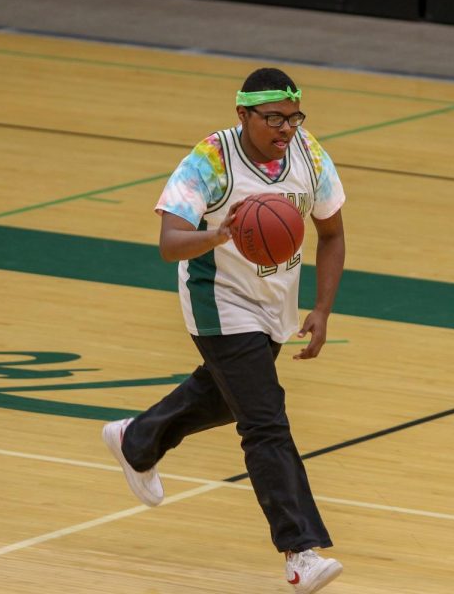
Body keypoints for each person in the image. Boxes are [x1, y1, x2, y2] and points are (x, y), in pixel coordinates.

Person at [101, 67, 346, 594]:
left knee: (224, 397)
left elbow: (332, 233)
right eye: (273, 118)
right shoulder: (211, 160)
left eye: (293, 116)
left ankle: (137, 439)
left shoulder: (309, 154)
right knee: (265, 421)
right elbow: (170, 242)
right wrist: (220, 234)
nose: (285, 128)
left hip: (274, 303)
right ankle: (299, 550)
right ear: (243, 115)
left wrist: (322, 308)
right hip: (219, 302)